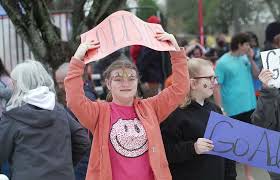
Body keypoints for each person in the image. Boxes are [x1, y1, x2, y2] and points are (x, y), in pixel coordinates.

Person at [64, 32, 189, 180]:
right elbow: (74, 100)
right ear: (108, 84)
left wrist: (175, 51)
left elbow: (179, 89)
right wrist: (78, 59)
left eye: (131, 78)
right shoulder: (99, 112)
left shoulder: (151, 107)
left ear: (137, 82)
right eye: (118, 79)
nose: (125, 83)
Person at [0, 60, 90, 180]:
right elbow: (83, 140)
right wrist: (63, 165)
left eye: (15, 82)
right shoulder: (59, 110)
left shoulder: (13, 115)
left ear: (20, 85)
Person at [161, 58, 236, 180]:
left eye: (214, 78)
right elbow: (166, 153)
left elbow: (227, 149)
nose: (214, 82)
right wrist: (193, 147)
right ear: (193, 83)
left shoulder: (215, 109)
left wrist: (230, 176)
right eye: (209, 78)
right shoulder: (174, 114)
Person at [214, 32, 260, 180]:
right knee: (231, 144)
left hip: (250, 106)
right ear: (240, 44)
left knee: (249, 141)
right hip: (232, 109)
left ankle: (248, 175)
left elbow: (257, 74)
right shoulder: (222, 62)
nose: (249, 46)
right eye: (247, 44)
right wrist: (220, 108)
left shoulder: (246, 58)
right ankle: (230, 175)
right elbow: (216, 86)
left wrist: (252, 59)